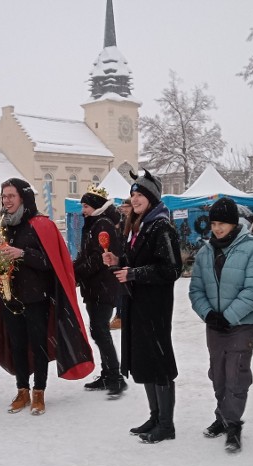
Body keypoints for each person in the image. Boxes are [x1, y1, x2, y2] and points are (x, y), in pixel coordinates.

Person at [0, 177, 94, 415]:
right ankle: (22, 390)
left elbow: (51, 263)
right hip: (9, 297)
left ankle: (38, 391)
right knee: (17, 345)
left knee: (38, 346)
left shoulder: (40, 225)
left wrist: (22, 253)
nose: (6, 200)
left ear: (23, 198)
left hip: (35, 298)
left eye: (11, 196)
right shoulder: (2, 226)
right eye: (4, 196)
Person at [102, 169, 183, 443]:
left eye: (140, 195)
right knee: (146, 360)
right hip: (137, 304)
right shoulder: (139, 226)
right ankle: (155, 415)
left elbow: (171, 269)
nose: (135, 200)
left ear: (152, 197)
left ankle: (167, 424)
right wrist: (117, 261)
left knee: (159, 361)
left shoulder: (162, 227)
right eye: (133, 195)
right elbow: (133, 262)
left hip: (155, 307)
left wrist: (134, 274)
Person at [188, 197, 253, 453]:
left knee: (236, 373)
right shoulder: (205, 252)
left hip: (241, 323)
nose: (217, 228)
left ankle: (233, 423)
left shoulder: (252, 249)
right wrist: (209, 314)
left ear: (234, 224)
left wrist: (229, 316)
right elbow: (196, 289)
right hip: (214, 324)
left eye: (222, 223)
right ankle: (222, 415)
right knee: (218, 373)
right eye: (214, 223)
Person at [73, 185, 127, 397]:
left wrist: (76, 273)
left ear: (95, 206)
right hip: (95, 286)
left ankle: (115, 376)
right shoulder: (95, 223)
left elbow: (98, 259)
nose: (83, 210)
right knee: (98, 330)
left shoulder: (101, 225)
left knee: (100, 330)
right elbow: (88, 254)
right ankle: (107, 374)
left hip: (102, 286)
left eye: (85, 206)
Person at [110, 198, 133, 330]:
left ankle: (121, 316)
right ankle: (119, 315)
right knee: (120, 290)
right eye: (122, 206)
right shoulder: (123, 221)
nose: (123, 208)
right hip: (121, 258)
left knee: (123, 290)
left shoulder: (135, 222)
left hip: (129, 262)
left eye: (126, 206)